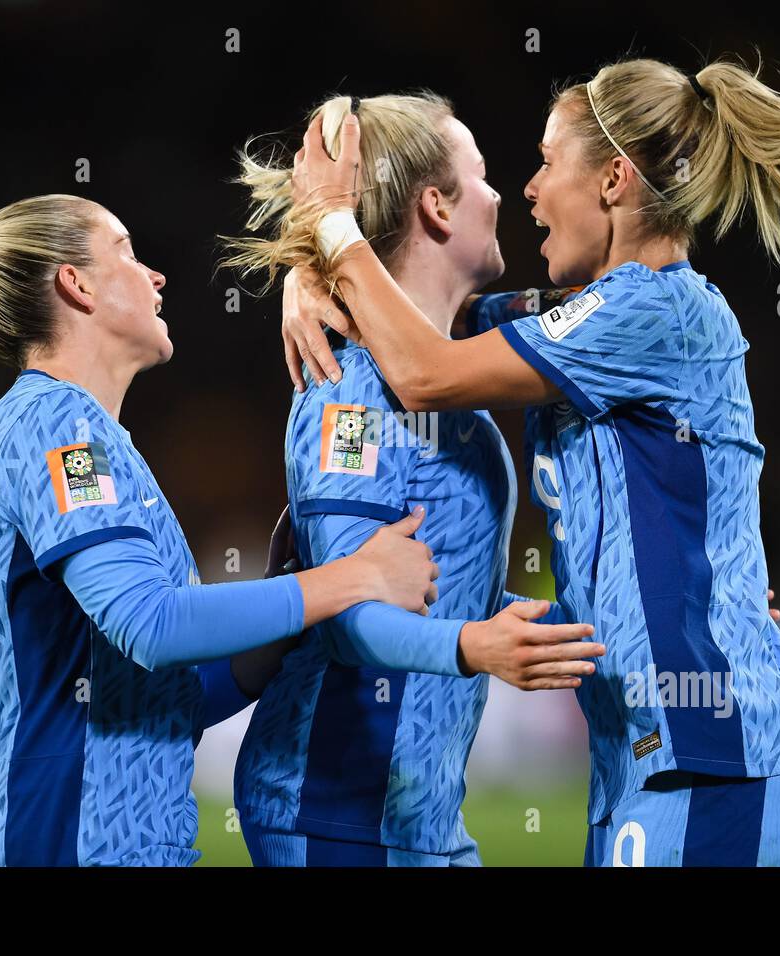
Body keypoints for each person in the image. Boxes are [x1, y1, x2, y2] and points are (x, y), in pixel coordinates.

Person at [279, 35, 780, 865]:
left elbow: (426, 370)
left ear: (614, 179)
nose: (527, 188)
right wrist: (303, 274)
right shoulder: (584, 318)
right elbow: (421, 309)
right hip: (645, 755)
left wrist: (332, 226)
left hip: (710, 753)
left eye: (546, 160)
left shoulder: (656, 312)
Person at [0, 194, 599, 865]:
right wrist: (346, 580)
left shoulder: (90, 438)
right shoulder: (55, 429)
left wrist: (282, 615)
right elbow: (151, 623)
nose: (156, 276)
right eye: (127, 256)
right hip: (62, 840)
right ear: (77, 286)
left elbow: (160, 698)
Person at [222, 94, 597, 866]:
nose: (506, 195)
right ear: (435, 205)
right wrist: (474, 644)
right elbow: (346, 613)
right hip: (331, 816)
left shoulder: (459, 367)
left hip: (416, 823)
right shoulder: (346, 394)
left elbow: (448, 591)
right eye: (483, 176)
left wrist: (620, 624)